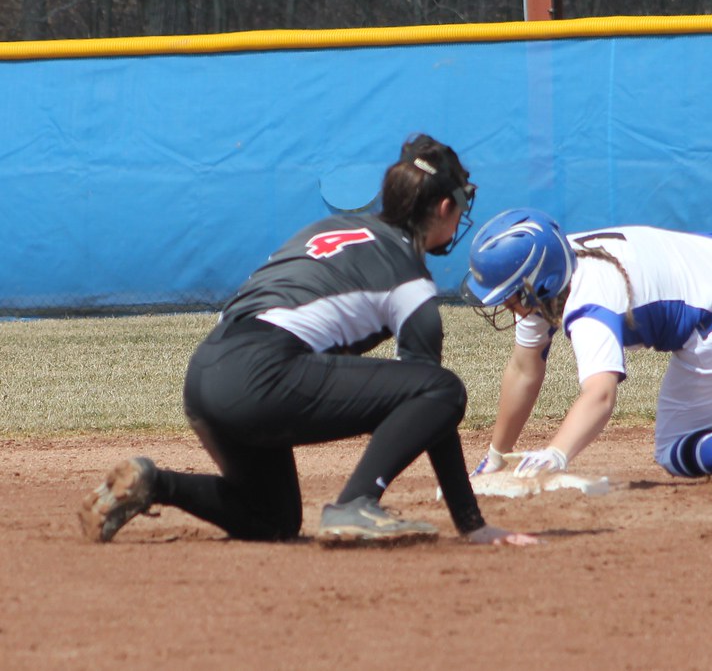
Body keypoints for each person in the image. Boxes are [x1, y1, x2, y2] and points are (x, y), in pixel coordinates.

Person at [79, 135, 536, 546]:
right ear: (443, 208)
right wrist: (471, 523)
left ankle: (154, 484)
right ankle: (356, 502)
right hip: (263, 374)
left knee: (272, 518)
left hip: (205, 375)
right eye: (460, 206)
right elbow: (433, 400)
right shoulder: (410, 282)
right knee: (443, 387)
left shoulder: (326, 230)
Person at [460, 208, 712, 494]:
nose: (505, 304)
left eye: (509, 295)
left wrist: (556, 454)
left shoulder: (588, 302)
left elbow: (600, 394)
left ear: (534, 284)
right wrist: (497, 455)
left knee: (672, 449)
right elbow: (524, 370)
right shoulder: (560, 266)